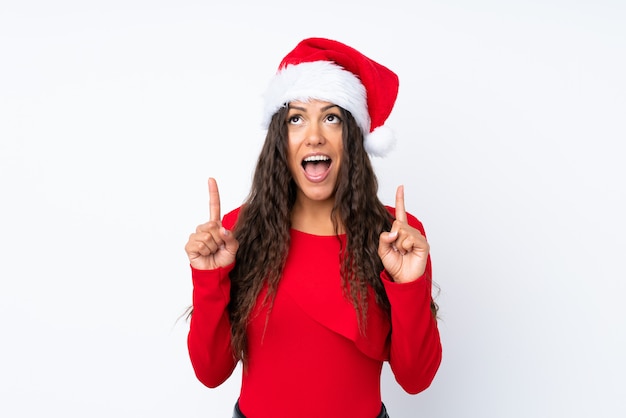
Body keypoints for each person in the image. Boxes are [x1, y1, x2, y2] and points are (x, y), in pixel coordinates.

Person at [184, 37, 442, 418]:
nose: (315, 135)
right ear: (281, 139)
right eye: (297, 118)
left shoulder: (395, 236)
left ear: (352, 137)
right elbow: (210, 373)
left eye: (332, 117)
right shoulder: (237, 231)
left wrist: (408, 286)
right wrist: (209, 279)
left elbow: (416, 379)